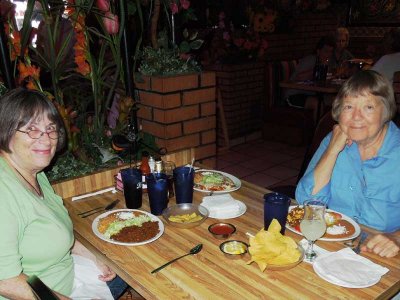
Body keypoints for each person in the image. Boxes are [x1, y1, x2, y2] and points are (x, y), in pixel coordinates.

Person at [0, 88, 128, 299]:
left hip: (65, 276)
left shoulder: (34, 173)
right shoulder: (4, 193)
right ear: (5, 131)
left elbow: (56, 233)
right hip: (47, 294)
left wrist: (93, 258)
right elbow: (7, 281)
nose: (46, 138)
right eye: (32, 129)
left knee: (127, 265)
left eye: (50, 128)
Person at [296, 70, 399, 258]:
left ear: (385, 112)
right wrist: (332, 150)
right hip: (333, 246)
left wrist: (396, 238)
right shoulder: (333, 141)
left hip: (383, 253)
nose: (356, 117)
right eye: (348, 107)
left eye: (368, 107)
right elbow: (307, 202)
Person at [284, 35, 336, 121]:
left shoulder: (327, 63)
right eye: (326, 51)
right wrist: (319, 68)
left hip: (312, 94)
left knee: (335, 101)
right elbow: (299, 77)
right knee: (317, 103)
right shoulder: (310, 60)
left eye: (331, 52)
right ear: (318, 51)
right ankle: (315, 133)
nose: (328, 55)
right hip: (293, 95)